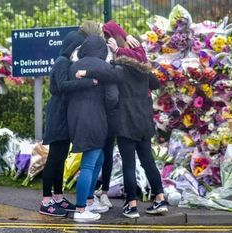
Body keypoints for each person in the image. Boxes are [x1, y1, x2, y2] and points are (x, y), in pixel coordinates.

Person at [77, 36, 168, 219]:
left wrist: (85, 73)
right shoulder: (142, 68)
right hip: (144, 121)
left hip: (127, 121)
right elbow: (156, 84)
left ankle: (131, 205)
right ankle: (160, 199)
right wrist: (144, 61)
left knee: (129, 164)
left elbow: (106, 75)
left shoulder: (119, 67)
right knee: (148, 161)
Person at [40, 22, 101, 217]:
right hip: (58, 115)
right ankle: (46, 200)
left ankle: (58, 197)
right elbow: (62, 86)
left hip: (65, 115)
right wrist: (87, 82)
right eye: (78, 48)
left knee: (61, 158)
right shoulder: (62, 62)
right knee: (54, 158)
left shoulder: (67, 62)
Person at [94, 20, 146, 209]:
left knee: (108, 152)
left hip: (115, 111)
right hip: (119, 111)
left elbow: (141, 60)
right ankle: (101, 194)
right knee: (105, 152)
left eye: (105, 34)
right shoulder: (106, 52)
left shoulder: (122, 54)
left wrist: (125, 38)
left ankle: (105, 193)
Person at [67, 35, 119, 222]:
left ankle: (89, 200)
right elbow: (112, 98)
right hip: (96, 119)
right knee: (89, 164)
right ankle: (81, 210)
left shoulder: (73, 66)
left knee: (99, 158)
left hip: (75, 118)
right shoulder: (105, 67)